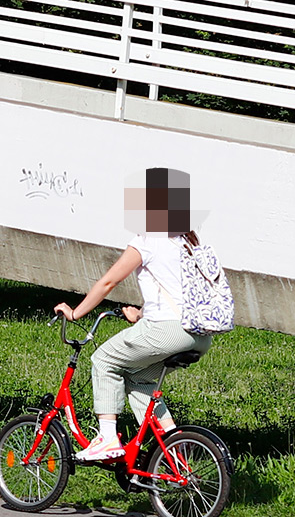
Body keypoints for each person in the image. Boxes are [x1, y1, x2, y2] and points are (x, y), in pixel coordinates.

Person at [52, 167, 234, 462]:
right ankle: (176, 452)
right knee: (138, 380)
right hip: (199, 336)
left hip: (168, 331)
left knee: (103, 360)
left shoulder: (147, 240)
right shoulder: (188, 241)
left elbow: (109, 282)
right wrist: (140, 315)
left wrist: (75, 313)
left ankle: (107, 439)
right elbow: (178, 291)